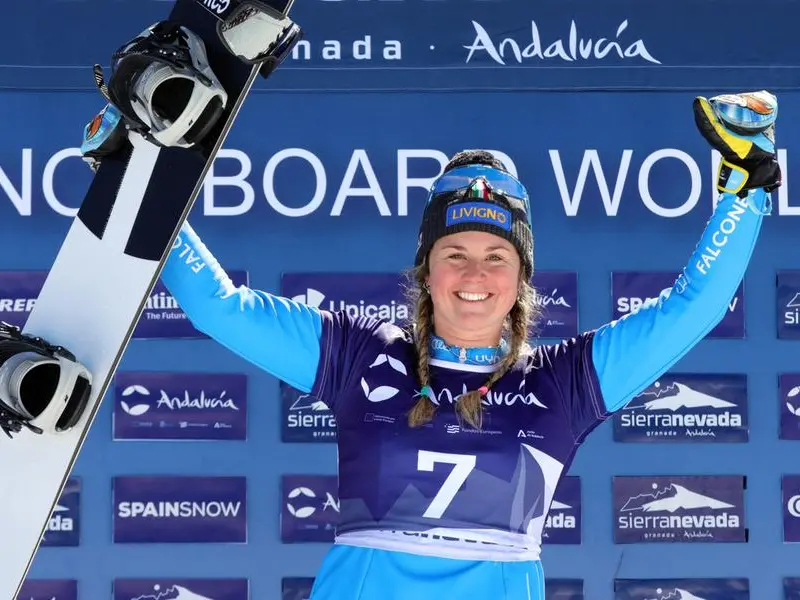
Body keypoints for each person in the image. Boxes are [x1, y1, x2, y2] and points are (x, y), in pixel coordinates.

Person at [91, 91, 780, 598]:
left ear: (521, 278)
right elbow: (219, 307)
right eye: (455, 253)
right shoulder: (361, 354)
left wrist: (745, 185)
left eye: (496, 256)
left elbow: (696, 306)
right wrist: (143, 178)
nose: (475, 275)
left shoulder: (563, 382)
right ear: (426, 270)